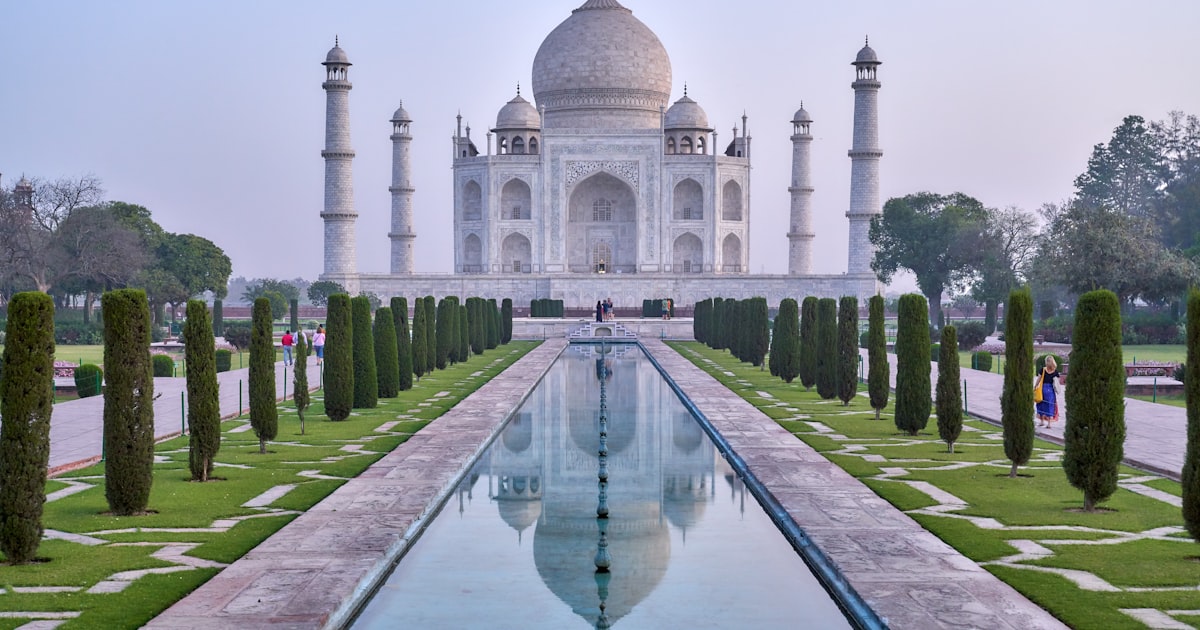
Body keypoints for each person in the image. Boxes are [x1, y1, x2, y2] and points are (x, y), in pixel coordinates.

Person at [1035, 355, 1062, 428]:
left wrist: (1035, 386)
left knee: (1041, 404)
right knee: (1050, 405)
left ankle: (1042, 422)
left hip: (1043, 389)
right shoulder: (1055, 372)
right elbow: (1057, 381)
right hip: (1050, 390)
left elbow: (1039, 379)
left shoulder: (1043, 370)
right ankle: (1049, 423)